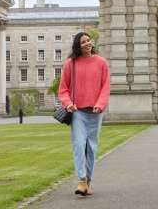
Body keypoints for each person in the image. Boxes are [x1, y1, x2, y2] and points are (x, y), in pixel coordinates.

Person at [58, 31, 111, 197]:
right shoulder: (70, 64)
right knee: (79, 145)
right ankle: (81, 180)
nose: (87, 43)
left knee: (91, 148)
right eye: (83, 42)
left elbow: (105, 86)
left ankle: (88, 181)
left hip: (95, 112)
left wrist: (100, 104)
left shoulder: (101, 63)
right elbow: (63, 89)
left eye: (89, 40)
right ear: (77, 46)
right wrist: (68, 104)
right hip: (78, 112)